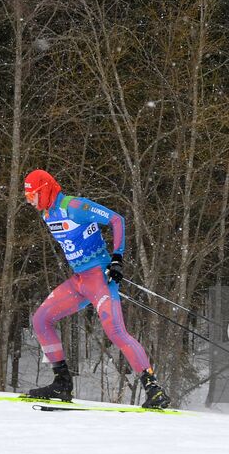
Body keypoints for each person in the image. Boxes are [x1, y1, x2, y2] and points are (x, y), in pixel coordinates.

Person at [21, 169, 171, 409]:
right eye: (28, 198)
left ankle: (153, 388)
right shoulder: (47, 214)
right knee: (41, 319)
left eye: (33, 196)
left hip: (100, 279)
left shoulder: (75, 206)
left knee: (116, 332)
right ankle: (62, 383)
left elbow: (116, 219)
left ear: (46, 189)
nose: (32, 202)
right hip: (80, 281)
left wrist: (117, 259)